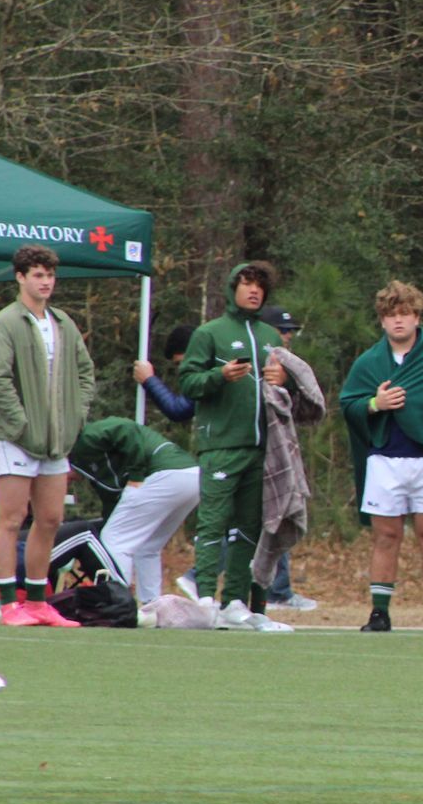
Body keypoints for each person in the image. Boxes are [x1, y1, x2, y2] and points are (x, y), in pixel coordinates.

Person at [341, 280, 423, 634]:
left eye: (405, 314)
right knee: (386, 536)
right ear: (382, 320)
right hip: (385, 460)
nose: (398, 321)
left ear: (417, 317)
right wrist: (374, 404)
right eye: (391, 315)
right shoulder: (369, 362)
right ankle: (379, 613)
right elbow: (349, 403)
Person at [0, 245, 94, 627]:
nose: (45, 282)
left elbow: (84, 373)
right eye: (38, 275)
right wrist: (22, 424)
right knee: (12, 518)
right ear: (20, 277)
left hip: (56, 440)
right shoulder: (5, 322)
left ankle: (39, 602)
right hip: (13, 438)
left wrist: (74, 418)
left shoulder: (63, 323)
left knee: (50, 518)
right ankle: (8, 602)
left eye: (50, 275)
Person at [179, 260, 289, 631]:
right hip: (222, 445)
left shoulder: (272, 335)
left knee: (249, 528)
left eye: (260, 285)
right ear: (232, 289)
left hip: (264, 448)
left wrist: (282, 378)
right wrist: (219, 376)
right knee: (213, 524)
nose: (254, 290)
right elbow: (188, 383)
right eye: (246, 284)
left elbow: (290, 388)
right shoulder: (210, 333)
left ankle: (235, 603)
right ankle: (206, 599)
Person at [69, 416, 202, 603]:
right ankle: (152, 607)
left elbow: (126, 429)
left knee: (115, 540)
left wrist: (136, 474)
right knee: (146, 547)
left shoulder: (88, 436)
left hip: (165, 473)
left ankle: (118, 604)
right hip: (191, 478)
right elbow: (114, 507)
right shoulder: (94, 472)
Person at [256, 303, 317, 612]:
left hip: (279, 455)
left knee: (281, 515)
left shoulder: (284, 365)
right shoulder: (258, 361)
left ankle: (279, 590)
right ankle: (198, 576)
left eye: (291, 331)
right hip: (254, 455)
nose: (288, 337)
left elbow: (306, 407)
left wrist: (289, 381)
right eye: (283, 331)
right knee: (261, 522)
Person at [134, 324, 197, 423]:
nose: (181, 369)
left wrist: (149, 379)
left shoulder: (211, 375)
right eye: (177, 365)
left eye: (182, 362)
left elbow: (178, 410)